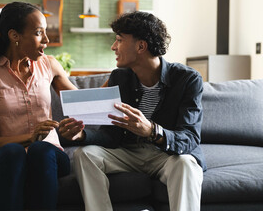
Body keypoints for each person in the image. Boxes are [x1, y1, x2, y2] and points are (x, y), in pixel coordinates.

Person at [59, 11, 206, 211]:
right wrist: (82, 134)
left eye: (119, 40)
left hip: (166, 155)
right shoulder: (119, 77)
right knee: (85, 155)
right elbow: (110, 136)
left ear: (141, 46)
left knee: (186, 164)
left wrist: (152, 130)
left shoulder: (187, 79)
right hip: (127, 153)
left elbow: (189, 138)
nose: (113, 46)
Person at [0, 2, 81, 211]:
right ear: (14, 35)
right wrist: (29, 137)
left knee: (41, 150)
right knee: (13, 152)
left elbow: (82, 103)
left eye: (46, 32)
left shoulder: (49, 64)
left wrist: (119, 78)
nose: (46, 40)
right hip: (6, 159)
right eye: (39, 33)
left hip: (49, 155)